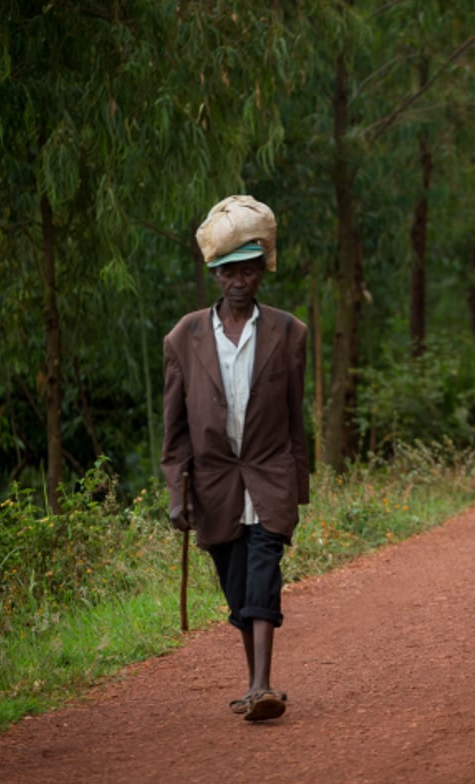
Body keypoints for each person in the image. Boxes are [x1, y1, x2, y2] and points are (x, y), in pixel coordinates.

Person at [161, 195, 309, 722]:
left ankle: (264, 685)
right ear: (217, 276)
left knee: (263, 576)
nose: (239, 281)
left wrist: (299, 484)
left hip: (270, 477)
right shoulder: (184, 338)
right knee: (237, 588)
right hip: (215, 485)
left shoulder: (290, 333)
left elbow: (296, 416)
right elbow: (175, 431)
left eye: (248, 270)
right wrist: (178, 493)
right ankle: (254, 685)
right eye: (228, 272)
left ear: (261, 272)